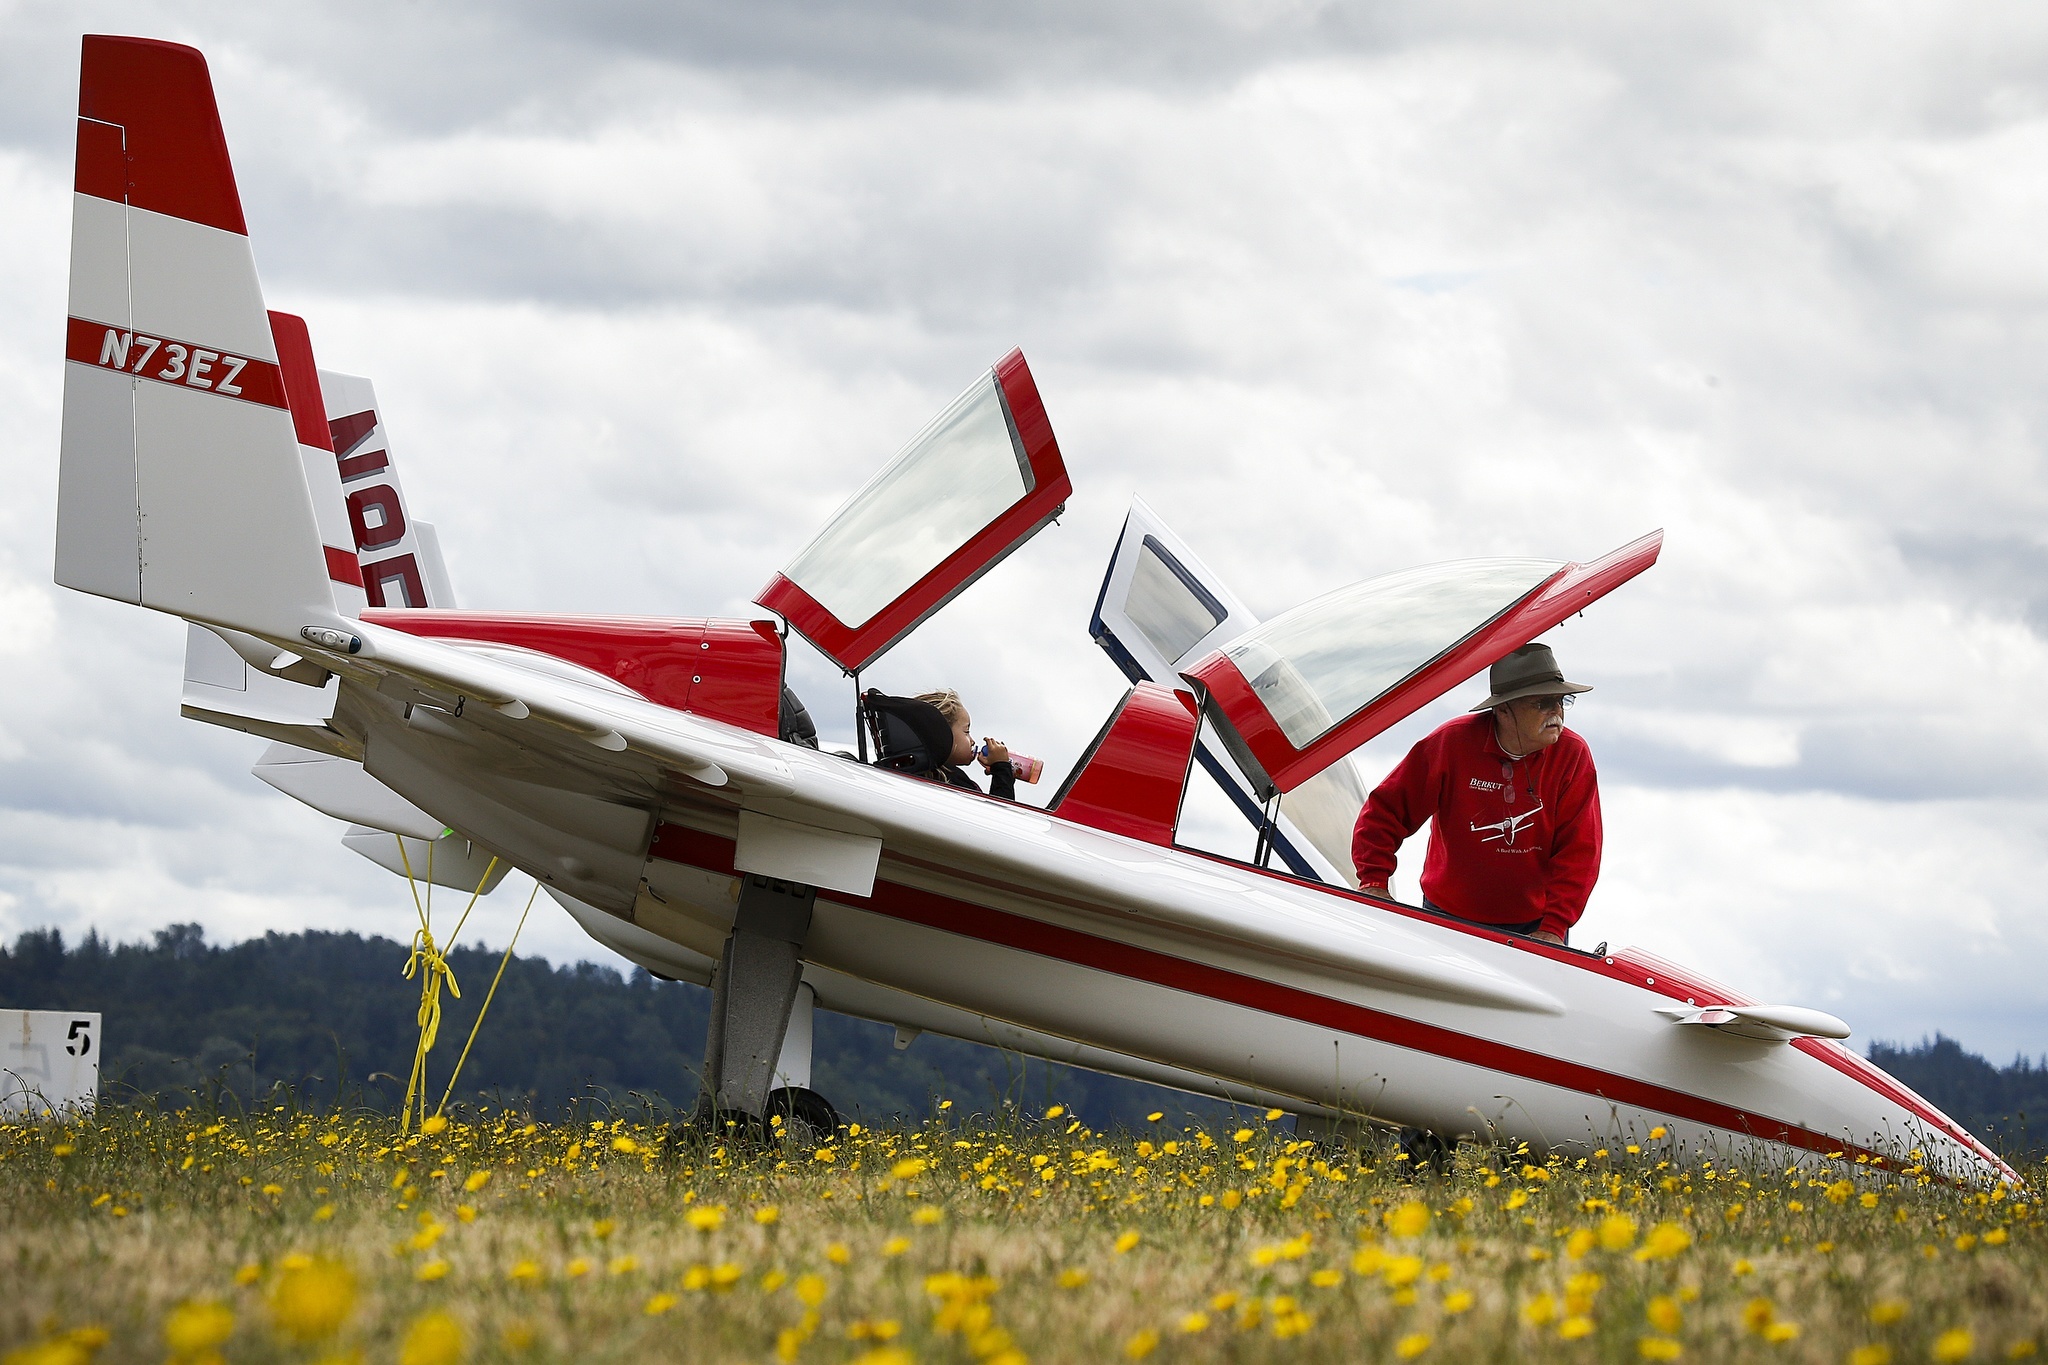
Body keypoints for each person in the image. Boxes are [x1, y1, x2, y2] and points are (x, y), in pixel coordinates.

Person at [1350, 642, 1602, 945]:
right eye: (1542, 703)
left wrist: (1554, 928)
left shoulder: (1574, 755)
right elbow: (1384, 812)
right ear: (1503, 710)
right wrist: (1375, 882)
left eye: (1562, 701)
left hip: (1534, 929)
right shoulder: (1451, 743)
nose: (1556, 712)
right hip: (1445, 917)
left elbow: (1580, 852)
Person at [914, 689, 1016, 801]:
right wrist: (1001, 769)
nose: (972, 741)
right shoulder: (952, 782)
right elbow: (998, 814)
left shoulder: (918, 772)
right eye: (966, 732)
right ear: (943, 734)